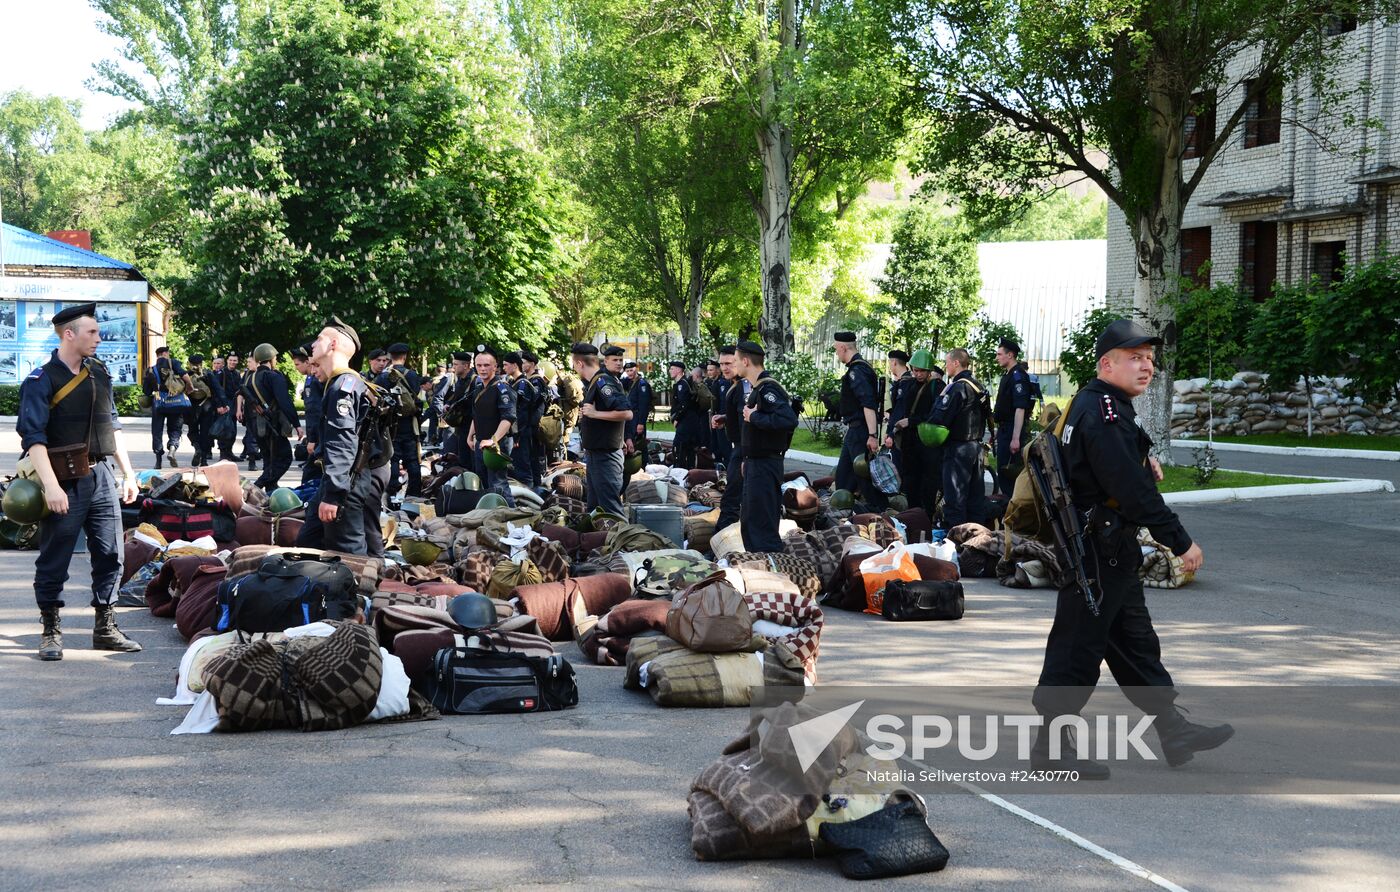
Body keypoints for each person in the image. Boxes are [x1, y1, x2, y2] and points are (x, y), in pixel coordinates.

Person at [1031, 319, 1225, 778]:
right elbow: (1132, 492)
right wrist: (1180, 541)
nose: (1147, 367)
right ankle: (1050, 750)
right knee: (1077, 649)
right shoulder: (1105, 413)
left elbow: (1110, 467)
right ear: (1107, 364)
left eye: (1150, 359)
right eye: (1135, 358)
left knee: (1135, 643)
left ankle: (1173, 730)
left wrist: (1142, 458)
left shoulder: (1098, 402)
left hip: (1110, 548)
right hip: (1097, 551)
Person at [19, 303, 142, 660]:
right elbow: (34, 439)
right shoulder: (41, 380)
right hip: (62, 478)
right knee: (54, 557)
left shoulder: (98, 372)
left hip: (101, 475)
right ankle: (50, 631)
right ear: (69, 334)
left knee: (111, 553)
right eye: (92, 332)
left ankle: (105, 628)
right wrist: (51, 486)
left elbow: (112, 426)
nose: (99, 338)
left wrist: (128, 474)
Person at [297, 316, 390, 556]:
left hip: (348, 479)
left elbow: (342, 442)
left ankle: (363, 580)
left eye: (319, 339)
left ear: (333, 344)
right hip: (343, 476)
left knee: (349, 553)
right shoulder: (345, 382)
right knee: (308, 540)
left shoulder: (342, 388)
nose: (313, 344)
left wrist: (335, 494)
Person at [736, 341, 798, 552]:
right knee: (751, 521)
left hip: (765, 465)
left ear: (746, 361)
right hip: (756, 463)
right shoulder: (759, 388)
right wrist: (747, 459)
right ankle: (757, 563)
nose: (735, 365)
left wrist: (754, 417)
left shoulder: (768, 388)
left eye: (736, 360)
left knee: (762, 524)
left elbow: (788, 419)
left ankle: (771, 565)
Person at [927, 348, 990, 529]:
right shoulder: (978, 386)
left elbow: (938, 418)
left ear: (956, 363)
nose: (945, 366)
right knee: (975, 500)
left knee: (955, 500)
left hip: (958, 450)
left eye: (947, 362)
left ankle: (955, 540)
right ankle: (977, 538)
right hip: (976, 448)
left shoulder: (957, 388)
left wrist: (940, 398)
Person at [885, 349, 945, 521]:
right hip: (909, 442)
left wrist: (911, 421)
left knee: (928, 484)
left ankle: (926, 518)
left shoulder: (937, 386)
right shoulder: (910, 384)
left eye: (921, 371)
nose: (918, 374)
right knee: (910, 482)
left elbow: (936, 415)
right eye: (915, 370)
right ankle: (913, 518)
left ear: (929, 370)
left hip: (927, 443)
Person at [572, 343, 630, 515]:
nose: (574, 368)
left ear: (580, 363)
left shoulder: (602, 382)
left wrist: (595, 413)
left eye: (574, 364)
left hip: (606, 456)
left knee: (610, 510)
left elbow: (626, 413)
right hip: (596, 454)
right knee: (595, 510)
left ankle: (621, 534)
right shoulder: (595, 382)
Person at [833, 331, 882, 508]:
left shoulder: (857, 371)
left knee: (863, 476)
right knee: (844, 477)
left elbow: (868, 403)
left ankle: (880, 511)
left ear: (843, 347)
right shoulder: (861, 367)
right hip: (855, 430)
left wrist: (872, 435)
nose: (836, 353)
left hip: (860, 431)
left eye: (836, 349)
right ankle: (842, 513)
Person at [244, 343, 302, 491]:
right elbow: (285, 402)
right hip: (273, 425)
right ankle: (255, 487)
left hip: (257, 425)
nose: (276, 360)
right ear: (270, 359)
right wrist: (296, 424)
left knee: (269, 460)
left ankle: (270, 491)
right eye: (275, 358)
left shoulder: (250, 377)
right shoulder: (273, 376)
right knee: (284, 458)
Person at [465, 346, 517, 506]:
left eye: (486, 365)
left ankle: (511, 515)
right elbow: (476, 416)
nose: (482, 369)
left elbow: (508, 418)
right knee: (483, 483)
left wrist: (493, 440)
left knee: (498, 483)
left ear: (495, 366)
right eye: (479, 365)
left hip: (496, 444)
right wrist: (470, 436)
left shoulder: (502, 388)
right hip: (480, 442)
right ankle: (490, 515)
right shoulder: (478, 388)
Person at [375, 343, 423, 500]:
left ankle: (391, 492)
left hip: (390, 425)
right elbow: (417, 398)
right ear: (405, 357)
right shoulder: (412, 375)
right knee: (413, 460)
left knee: (393, 459)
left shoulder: (383, 377)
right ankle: (414, 494)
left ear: (390, 357)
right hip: (409, 424)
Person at [993, 338, 1035, 496]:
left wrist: (1015, 438)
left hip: (1012, 430)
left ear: (1010, 355)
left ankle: (1011, 507)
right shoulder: (1009, 375)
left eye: (999, 354)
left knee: (1009, 474)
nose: (997, 358)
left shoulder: (1018, 376)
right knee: (1003, 472)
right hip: (1005, 429)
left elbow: (1020, 408)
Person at [714, 346, 749, 531]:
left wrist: (746, 457)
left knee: (731, 500)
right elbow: (740, 416)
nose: (724, 368)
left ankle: (721, 539)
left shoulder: (744, 386)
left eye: (728, 363)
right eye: (721, 364)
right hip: (738, 448)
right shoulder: (735, 385)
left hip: (744, 450)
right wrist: (725, 418)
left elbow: (748, 423)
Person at [142, 345, 192, 469]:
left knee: (157, 430)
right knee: (175, 427)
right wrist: (190, 385)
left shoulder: (150, 370)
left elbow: (146, 391)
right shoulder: (173, 363)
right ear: (165, 354)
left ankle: (158, 460)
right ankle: (172, 449)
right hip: (176, 402)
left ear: (157, 356)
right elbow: (184, 375)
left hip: (159, 403)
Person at [502, 351, 540, 488]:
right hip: (517, 432)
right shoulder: (514, 382)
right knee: (517, 466)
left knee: (523, 467)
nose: (504, 368)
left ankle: (529, 494)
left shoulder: (522, 384)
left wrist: (516, 435)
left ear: (514, 365)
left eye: (506, 365)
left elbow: (521, 414)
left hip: (522, 432)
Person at [185, 354, 229, 467]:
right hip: (207, 406)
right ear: (201, 363)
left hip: (191, 408)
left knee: (192, 431)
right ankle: (204, 459)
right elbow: (217, 389)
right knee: (205, 432)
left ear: (190, 364)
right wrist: (224, 404)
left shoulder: (186, 375)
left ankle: (197, 448)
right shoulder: (207, 374)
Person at [291, 345, 324, 483]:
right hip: (319, 435)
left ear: (307, 362)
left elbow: (315, 412)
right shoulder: (311, 379)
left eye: (297, 364)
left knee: (309, 475)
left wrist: (312, 440)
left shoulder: (314, 381)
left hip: (319, 436)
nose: (296, 368)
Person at [522, 350, 553, 488]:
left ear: (532, 364)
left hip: (534, 426)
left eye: (524, 363)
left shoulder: (536, 381)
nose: (521, 365)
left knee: (533, 458)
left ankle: (535, 487)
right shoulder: (530, 380)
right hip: (531, 425)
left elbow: (536, 405)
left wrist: (531, 425)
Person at [669, 360, 705, 469]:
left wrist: (677, 418)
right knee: (688, 450)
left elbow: (684, 404)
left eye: (672, 369)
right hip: (689, 421)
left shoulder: (682, 384)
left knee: (679, 448)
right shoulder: (683, 383)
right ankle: (688, 470)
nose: (670, 371)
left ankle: (680, 471)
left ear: (679, 370)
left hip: (686, 422)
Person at [884, 349, 914, 466]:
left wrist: (891, 433)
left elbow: (899, 412)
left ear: (894, 362)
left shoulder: (905, 383)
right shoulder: (906, 381)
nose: (890, 366)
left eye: (890, 363)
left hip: (900, 435)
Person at [236, 354, 263, 470]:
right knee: (251, 435)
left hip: (263, 410)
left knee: (263, 436)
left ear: (258, 362)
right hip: (250, 410)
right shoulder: (247, 375)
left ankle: (265, 460)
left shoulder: (264, 374)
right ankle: (252, 461)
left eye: (250, 362)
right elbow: (240, 392)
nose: (247, 364)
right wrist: (239, 409)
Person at [215, 353, 242, 462]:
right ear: (227, 361)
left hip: (234, 404)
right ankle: (223, 454)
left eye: (235, 360)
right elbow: (216, 390)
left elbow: (239, 390)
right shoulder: (221, 373)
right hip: (224, 404)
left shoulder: (237, 374)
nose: (232, 362)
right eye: (230, 360)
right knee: (224, 430)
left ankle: (229, 452)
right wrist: (219, 405)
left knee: (232, 430)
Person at [623, 360, 652, 461]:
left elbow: (644, 405)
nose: (629, 373)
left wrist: (641, 423)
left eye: (631, 370)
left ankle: (643, 464)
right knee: (631, 442)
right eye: (627, 371)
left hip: (637, 417)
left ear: (636, 369)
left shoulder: (642, 384)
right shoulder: (629, 382)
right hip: (630, 417)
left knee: (639, 443)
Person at [705, 358, 731, 467]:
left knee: (724, 446)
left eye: (711, 370)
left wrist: (722, 417)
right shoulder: (712, 383)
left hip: (722, 418)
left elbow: (724, 403)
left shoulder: (723, 383)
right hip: (715, 417)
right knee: (716, 445)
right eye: (708, 370)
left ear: (718, 370)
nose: (709, 372)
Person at [424, 363, 447, 444]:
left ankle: (432, 440)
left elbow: (430, 397)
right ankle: (439, 440)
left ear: (436, 370)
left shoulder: (434, 380)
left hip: (436, 406)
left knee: (433, 422)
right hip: (444, 406)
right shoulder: (448, 378)